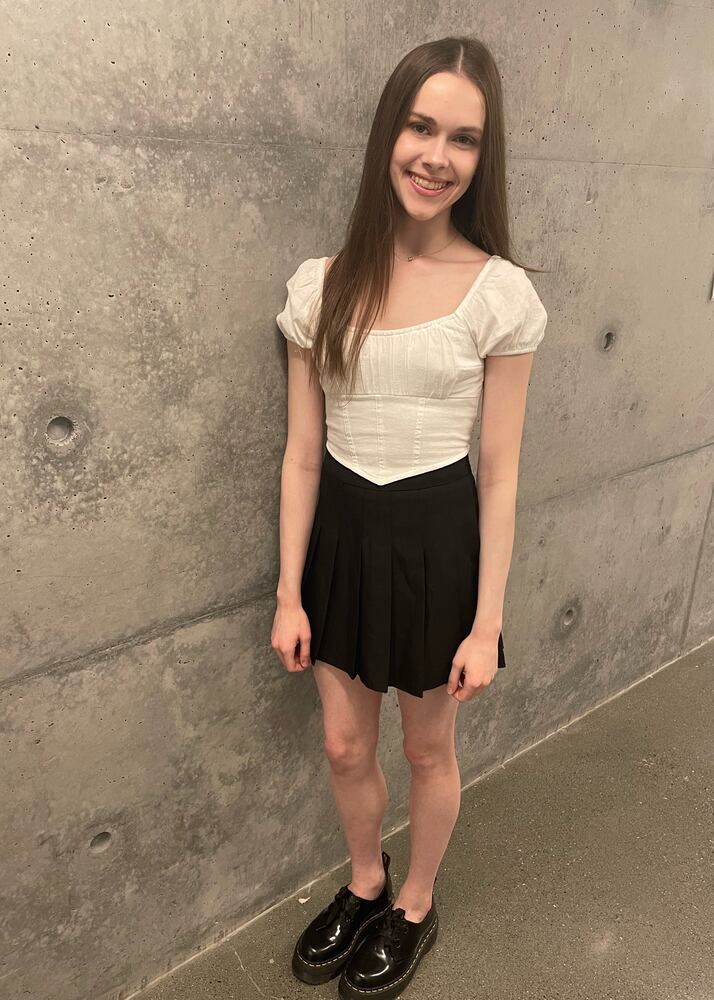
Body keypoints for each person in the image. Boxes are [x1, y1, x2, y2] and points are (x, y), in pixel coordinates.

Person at [272, 35, 548, 1000]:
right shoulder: (320, 285)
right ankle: (365, 883)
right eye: (421, 127)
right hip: (341, 538)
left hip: (438, 543)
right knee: (346, 745)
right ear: (388, 132)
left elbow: (500, 473)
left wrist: (486, 623)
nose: (437, 156)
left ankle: (415, 906)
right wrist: (288, 592)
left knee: (429, 747)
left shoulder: (501, 293)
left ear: (484, 155)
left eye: (463, 138)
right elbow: (302, 454)